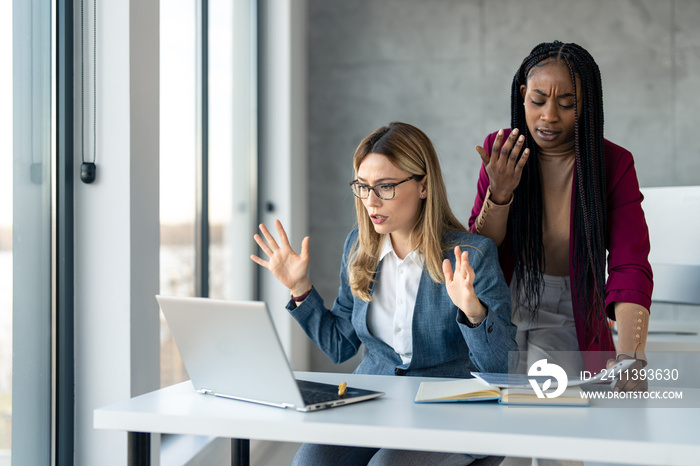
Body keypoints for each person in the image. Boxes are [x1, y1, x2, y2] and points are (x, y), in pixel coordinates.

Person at [252, 122, 517, 466]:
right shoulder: (358, 248)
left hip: (453, 409)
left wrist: (474, 313)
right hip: (376, 404)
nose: (371, 201)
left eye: (386, 187)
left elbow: (501, 370)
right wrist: (299, 289)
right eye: (362, 187)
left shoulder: (471, 254)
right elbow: (340, 345)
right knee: (309, 462)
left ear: (424, 185)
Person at [469, 41, 653, 391]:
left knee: (554, 417)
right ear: (522, 94)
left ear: (588, 106)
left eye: (567, 104)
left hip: (572, 304)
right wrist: (501, 193)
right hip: (502, 301)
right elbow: (481, 250)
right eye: (537, 100)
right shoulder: (502, 150)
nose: (549, 116)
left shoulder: (613, 164)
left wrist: (632, 355)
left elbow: (630, 265)